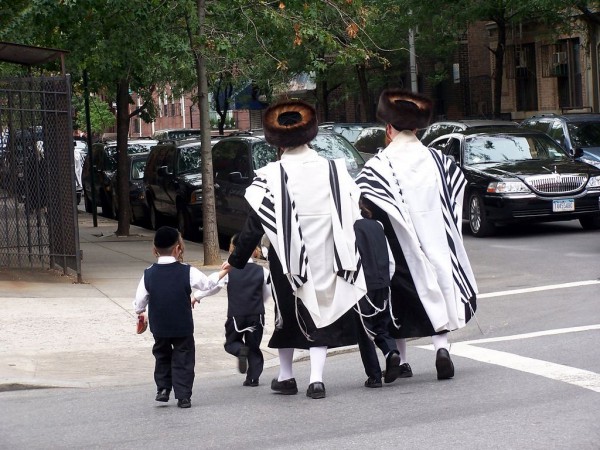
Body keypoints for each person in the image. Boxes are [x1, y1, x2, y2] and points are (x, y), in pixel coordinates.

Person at [222, 99, 366, 399]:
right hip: (327, 257)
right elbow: (355, 211)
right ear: (310, 134)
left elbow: (254, 225)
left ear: (276, 140)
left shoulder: (271, 176)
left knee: (286, 315)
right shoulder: (334, 170)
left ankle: (286, 376)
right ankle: (316, 379)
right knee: (319, 313)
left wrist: (235, 260)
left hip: (286, 261)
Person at [355, 89, 478, 380]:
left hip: (398, 247)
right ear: (416, 128)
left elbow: (363, 203)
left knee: (398, 301)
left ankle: (403, 360)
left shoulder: (378, 165)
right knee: (442, 288)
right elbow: (457, 189)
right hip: (438, 239)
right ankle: (441, 349)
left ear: (388, 129)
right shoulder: (439, 161)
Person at [133, 226, 227, 408]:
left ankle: (163, 389)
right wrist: (225, 270)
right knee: (184, 357)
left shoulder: (148, 273)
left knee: (162, 355)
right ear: (178, 248)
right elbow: (207, 284)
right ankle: (183, 396)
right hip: (182, 325)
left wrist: (141, 314)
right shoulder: (187, 271)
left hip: (160, 326)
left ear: (154, 250)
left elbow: (139, 303)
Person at [192, 234, 271, 387]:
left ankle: (240, 349)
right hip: (257, 315)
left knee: (231, 342)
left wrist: (196, 296)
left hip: (236, 316)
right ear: (255, 250)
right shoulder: (262, 271)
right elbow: (267, 293)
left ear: (232, 249)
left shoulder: (229, 271)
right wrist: (260, 303)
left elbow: (213, 286)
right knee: (254, 347)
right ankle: (253, 378)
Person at [353, 195, 402, 388]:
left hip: (362, 285)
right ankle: (392, 352)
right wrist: (386, 280)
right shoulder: (377, 225)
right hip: (382, 283)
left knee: (364, 331)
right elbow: (390, 258)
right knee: (381, 324)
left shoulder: (347, 229)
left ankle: (374, 375)